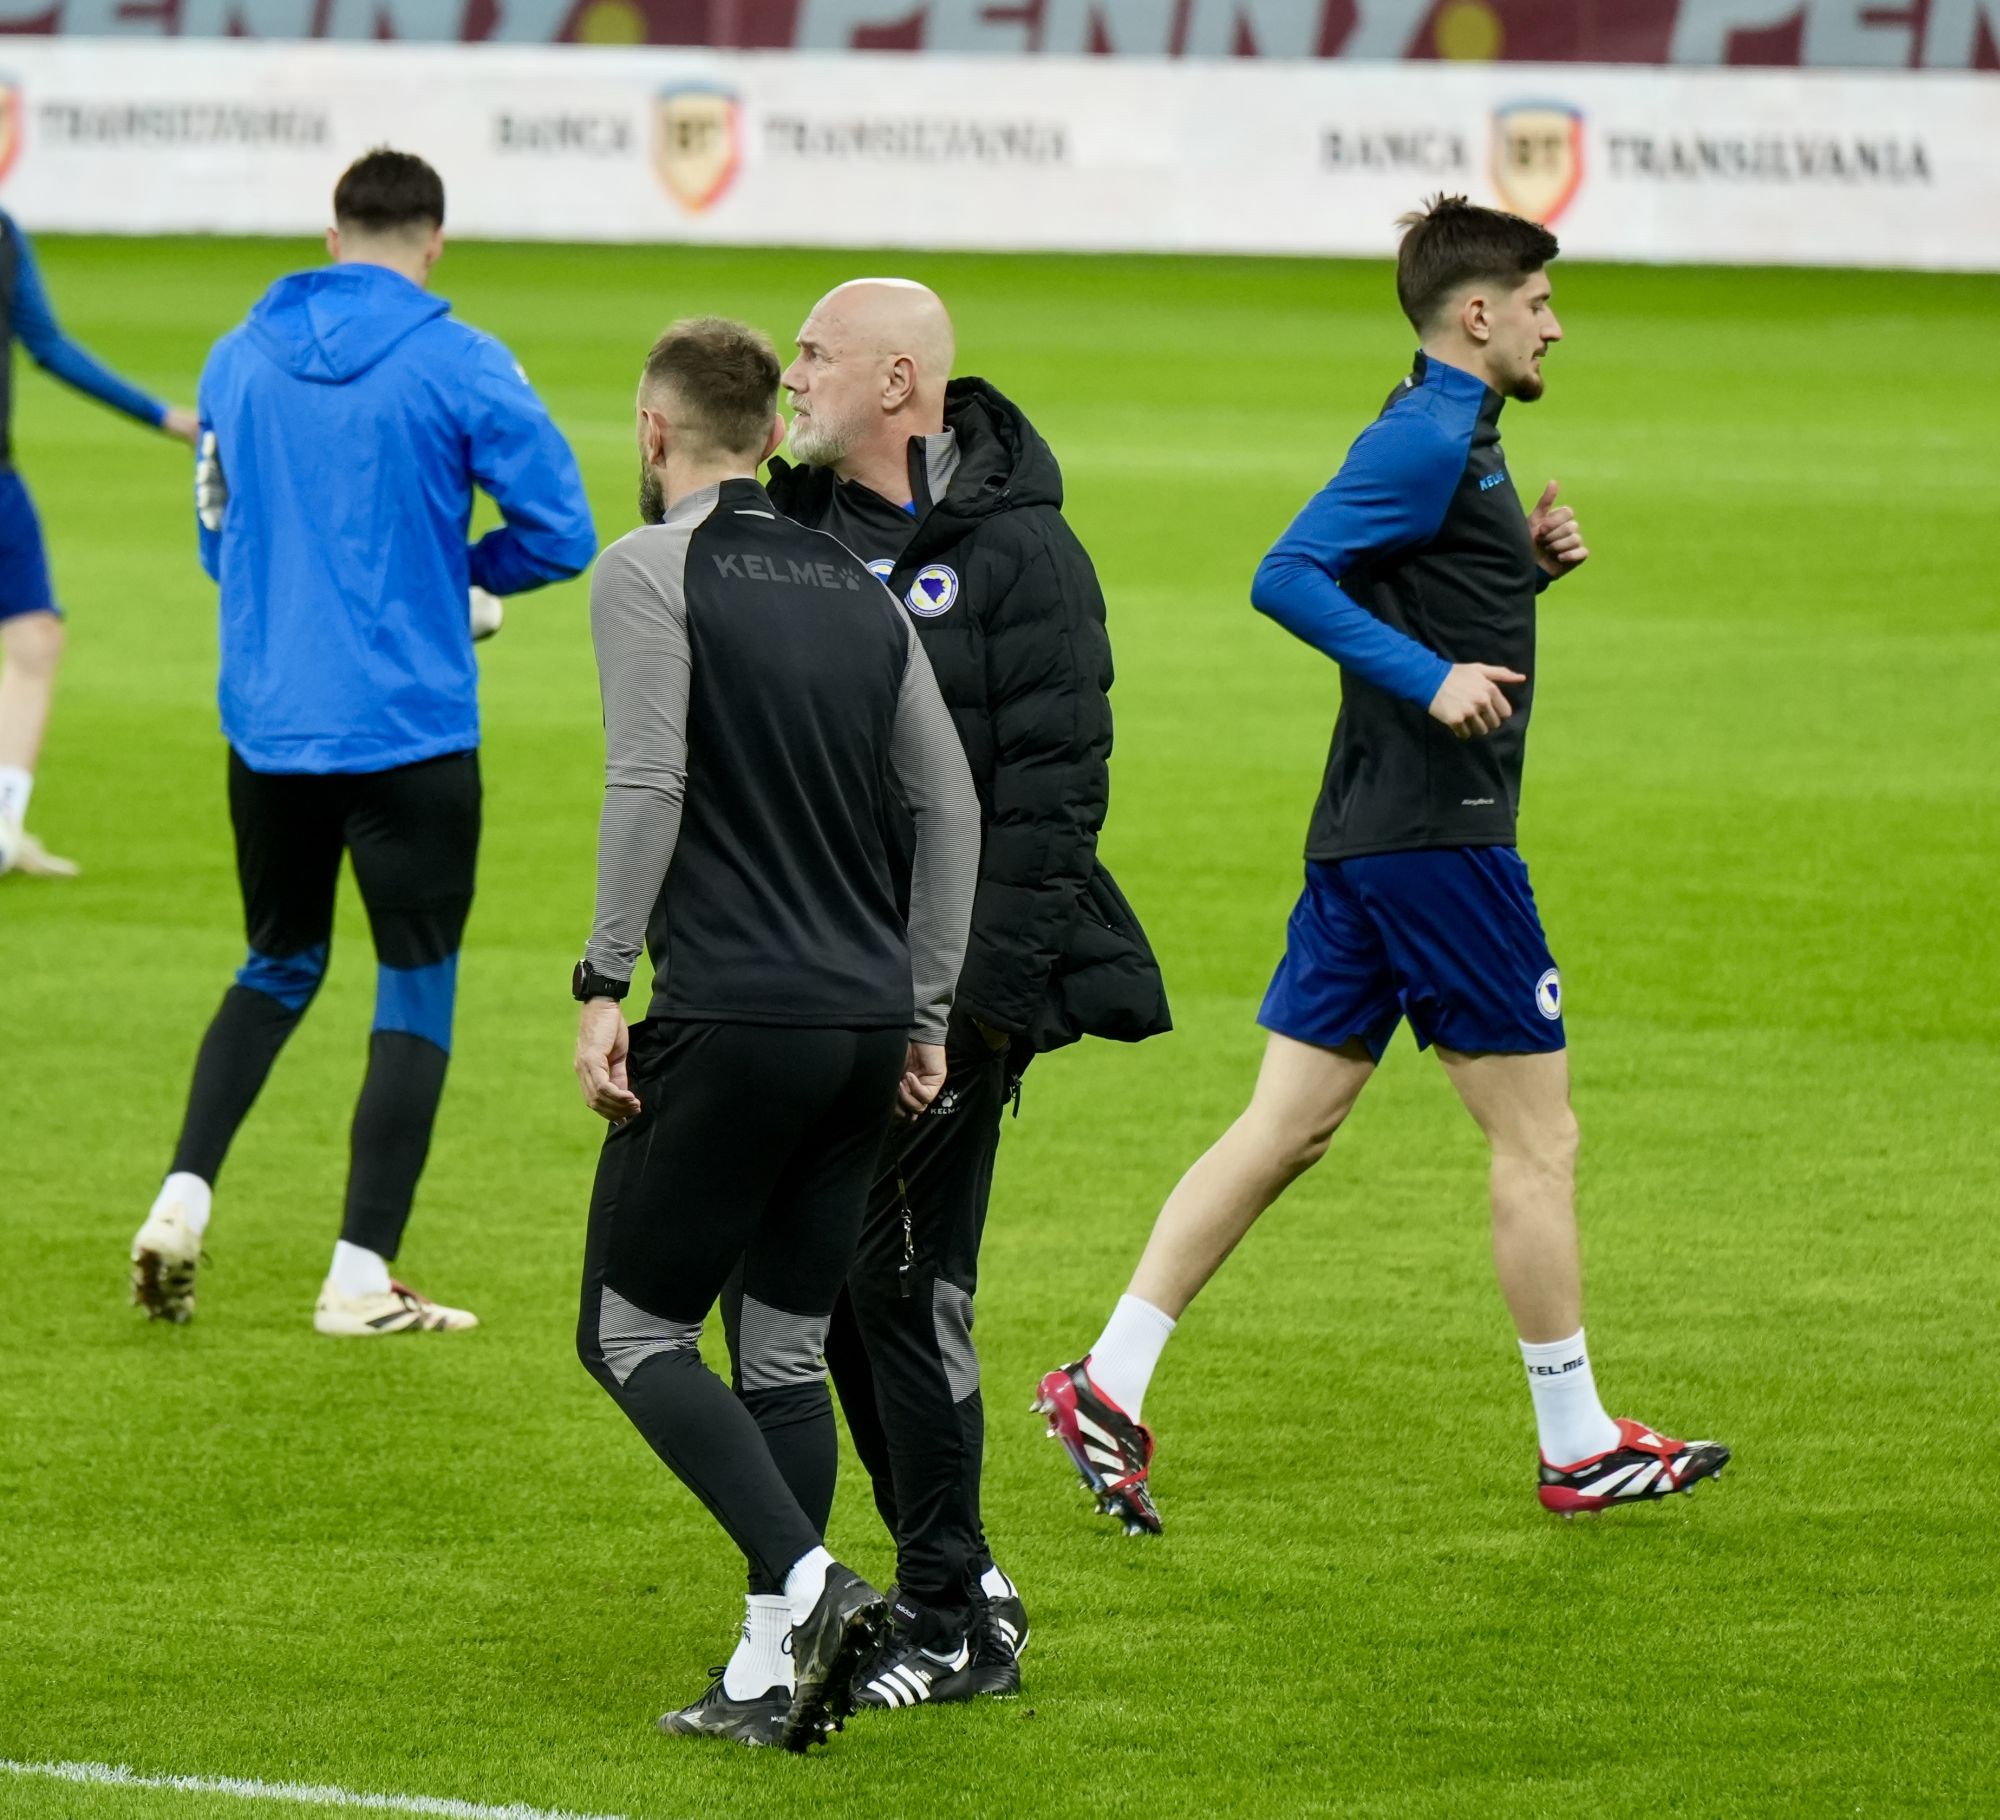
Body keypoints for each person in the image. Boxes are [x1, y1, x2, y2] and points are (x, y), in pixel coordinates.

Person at [1035, 196, 1730, 1531]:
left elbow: (1405, 580)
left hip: (1371, 831)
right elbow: (1287, 573)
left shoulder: (1448, 429)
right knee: (1539, 1138)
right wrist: (1429, 679)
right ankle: (1577, 1441)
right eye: (1537, 303)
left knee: (1286, 1126)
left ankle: (1107, 1381)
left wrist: (1520, 574)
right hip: (1437, 840)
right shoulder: (1423, 436)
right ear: (1477, 313)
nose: (1552, 326)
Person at [571, 316, 980, 1752]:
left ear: (654, 430)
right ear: (767, 434)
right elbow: (950, 808)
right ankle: (765, 1671)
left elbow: (648, 778)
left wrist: (602, 979)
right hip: (864, 1026)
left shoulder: (647, 569)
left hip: (734, 1014)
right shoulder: (862, 589)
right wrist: (923, 1011)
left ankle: (811, 1586)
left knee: (628, 1330)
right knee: (785, 1355)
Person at [762, 278, 1170, 1705]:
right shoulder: (787, 535)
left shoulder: (1022, 551)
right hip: (808, 982)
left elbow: (1056, 798)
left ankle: (947, 1615)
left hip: (947, 1003)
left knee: (903, 1281)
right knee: (821, 1291)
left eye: (812, 354)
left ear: (895, 380)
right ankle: (961, 1580)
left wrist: (965, 1011)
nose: (789, 375)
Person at [128, 149, 594, 1332]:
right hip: (408, 732)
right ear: (433, 243)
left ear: (331, 238)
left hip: (269, 730)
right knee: (414, 981)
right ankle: (356, 1275)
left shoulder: (235, 359)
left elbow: (218, 537)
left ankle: (180, 1199)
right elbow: (561, 530)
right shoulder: (461, 358)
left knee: (277, 963)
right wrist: (456, 581)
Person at [0, 209, 197, 878]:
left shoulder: (4, 234)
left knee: (36, 640)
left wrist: (163, 417)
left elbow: (48, 344)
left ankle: (4, 827)